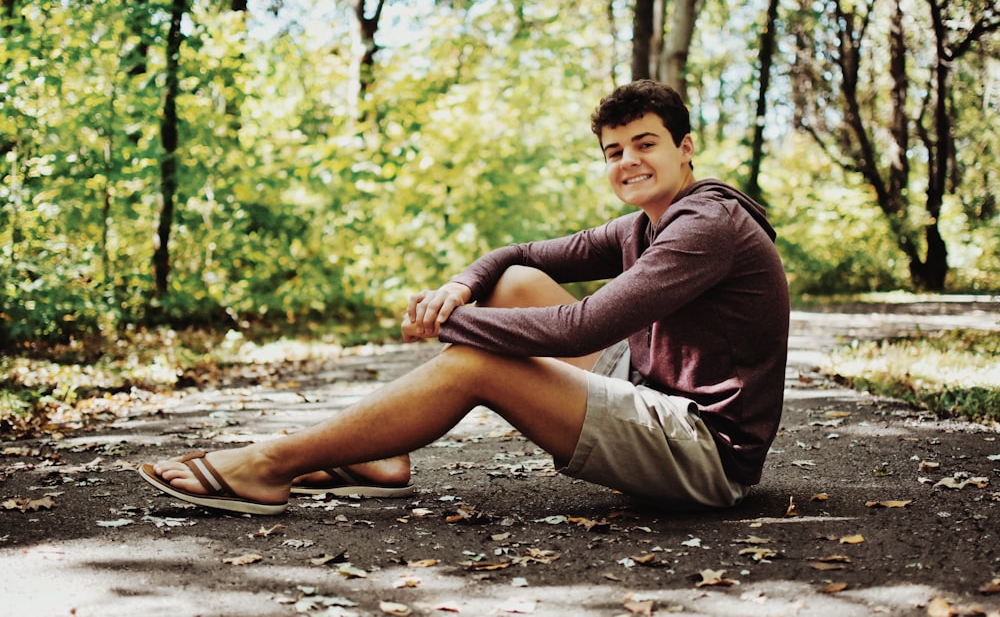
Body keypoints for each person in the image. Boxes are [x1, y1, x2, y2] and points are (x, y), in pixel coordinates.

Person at [139, 79, 790, 515]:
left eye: (645, 144)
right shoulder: (646, 221)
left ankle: (270, 464)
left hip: (703, 450)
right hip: (651, 390)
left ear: (685, 148)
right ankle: (380, 454)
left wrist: (456, 328)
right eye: (613, 150)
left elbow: (582, 328)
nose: (627, 162)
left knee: (477, 363)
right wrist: (461, 288)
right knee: (508, 286)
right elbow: (518, 258)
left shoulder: (706, 226)